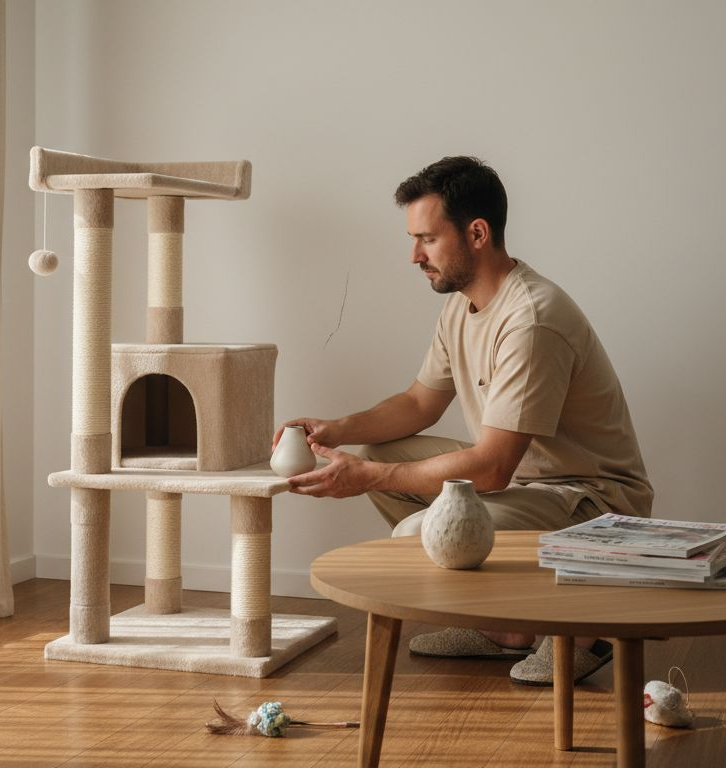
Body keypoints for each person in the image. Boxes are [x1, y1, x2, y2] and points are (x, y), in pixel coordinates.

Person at [274, 156, 653, 686]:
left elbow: (493, 468)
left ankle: (583, 633)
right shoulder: (461, 305)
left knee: (417, 533)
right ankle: (507, 630)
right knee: (377, 454)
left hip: (590, 501)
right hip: (526, 485)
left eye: (426, 238)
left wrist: (368, 481)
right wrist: (335, 430)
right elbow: (417, 404)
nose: (414, 256)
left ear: (477, 233)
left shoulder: (532, 321)